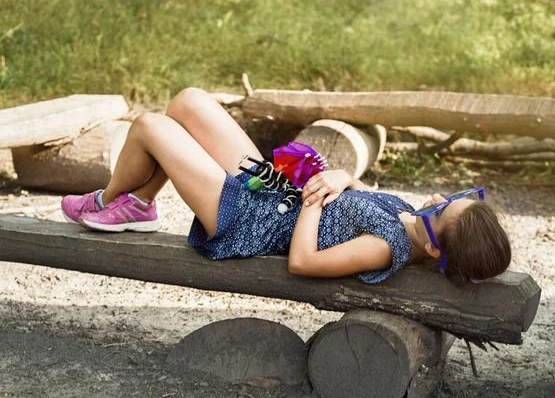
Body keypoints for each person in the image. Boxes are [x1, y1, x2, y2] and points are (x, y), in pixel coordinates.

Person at [61, 88, 511, 286]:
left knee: (149, 126)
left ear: (435, 250)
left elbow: (301, 262)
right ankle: (138, 202)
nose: (435, 199)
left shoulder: (386, 248)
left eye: (441, 210)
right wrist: (341, 177)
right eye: (452, 198)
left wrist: (314, 198)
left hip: (248, 219)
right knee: (188, 102)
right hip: (273, 189)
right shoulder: (409, 217)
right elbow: (357, 194)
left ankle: (108, 199)